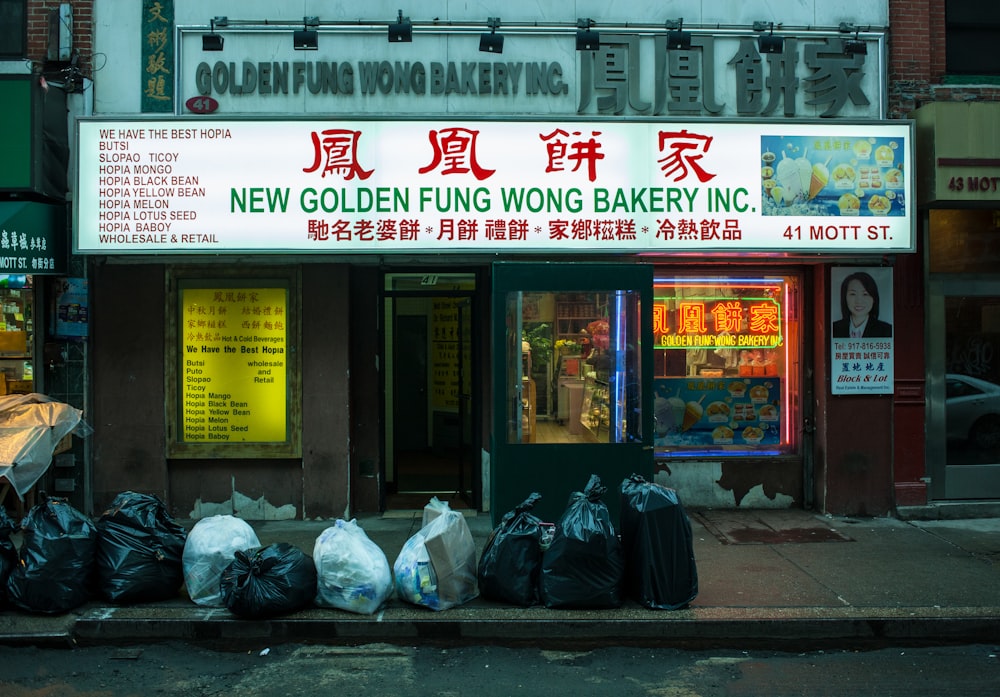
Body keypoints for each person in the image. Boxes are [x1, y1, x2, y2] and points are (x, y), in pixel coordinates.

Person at [832, 271, 892, 338]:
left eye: (865, 294)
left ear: (874, 298)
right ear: (844, 297)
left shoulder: (887, 331)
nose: (859, 301)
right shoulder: (833, 329)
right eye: (853, 294)